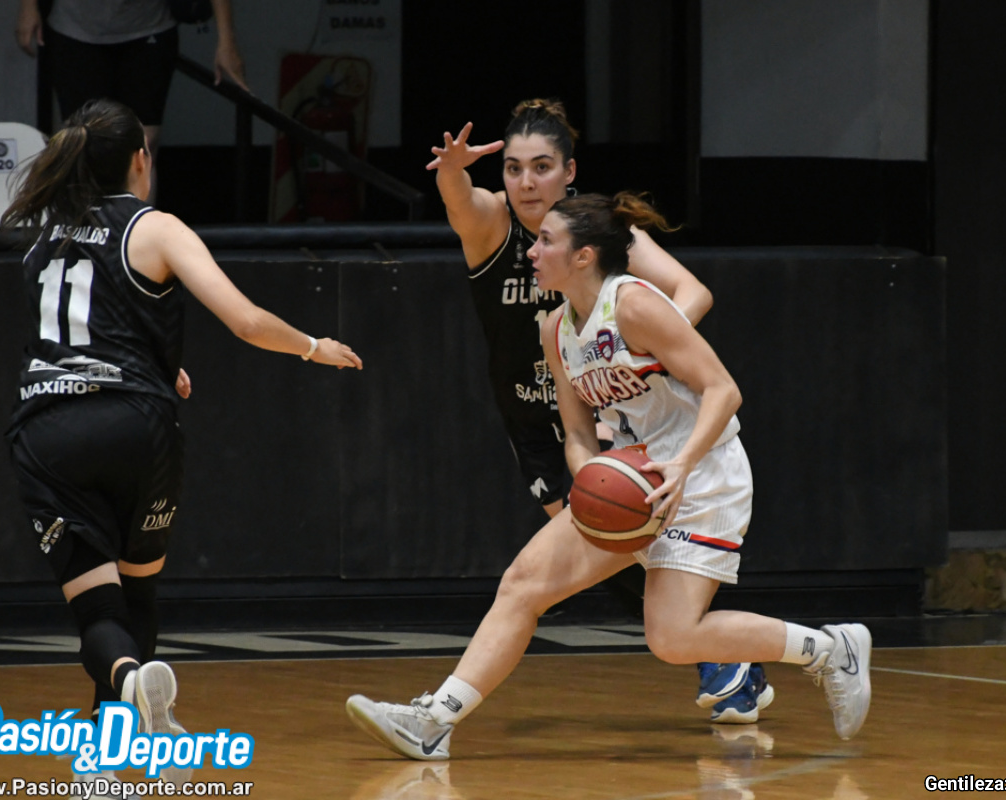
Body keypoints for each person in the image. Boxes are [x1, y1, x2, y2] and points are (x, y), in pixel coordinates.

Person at [345, 193, 872, 760]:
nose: (532, 251)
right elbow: (576, 432)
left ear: (584, 256)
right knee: (523, 584)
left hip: (701, 476)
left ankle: (830, 649)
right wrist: (589, 478)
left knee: (672, 638)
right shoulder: (555, 329)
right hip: (633, 481)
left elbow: (723, 389)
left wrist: (681, 463)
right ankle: (434, 722)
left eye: (547, 241)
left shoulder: (635, 305)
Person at [1, 98, 359, 791]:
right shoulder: (155, 227)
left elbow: (76, 331)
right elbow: (246, 321)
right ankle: (120, 740)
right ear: (141, 159)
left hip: (51, 430)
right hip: (140, 426)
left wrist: (153, 364)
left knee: (97, 610)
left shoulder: (46, 231)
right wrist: (314, 346)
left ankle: (124, 702)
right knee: (138, 591)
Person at [427, 98, 769, 723]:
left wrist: (634, 351)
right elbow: (459, 200)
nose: (526, 182)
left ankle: (720, 655)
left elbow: (691, 292)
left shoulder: (601, 236)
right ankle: (714, 646)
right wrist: (452, 169)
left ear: (569, 173)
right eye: (512, 168)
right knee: (611, 539)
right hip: (536, 420)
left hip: (612, 413)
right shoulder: (495, 225)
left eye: (541, 167)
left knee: (597, 543)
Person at [15, 0, 248, 196]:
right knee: (84, 144)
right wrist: (28, 6)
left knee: (143, 144)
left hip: (148, 26)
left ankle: (138, 228)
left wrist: (227, 39)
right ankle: (87, 230)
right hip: (75, 28)